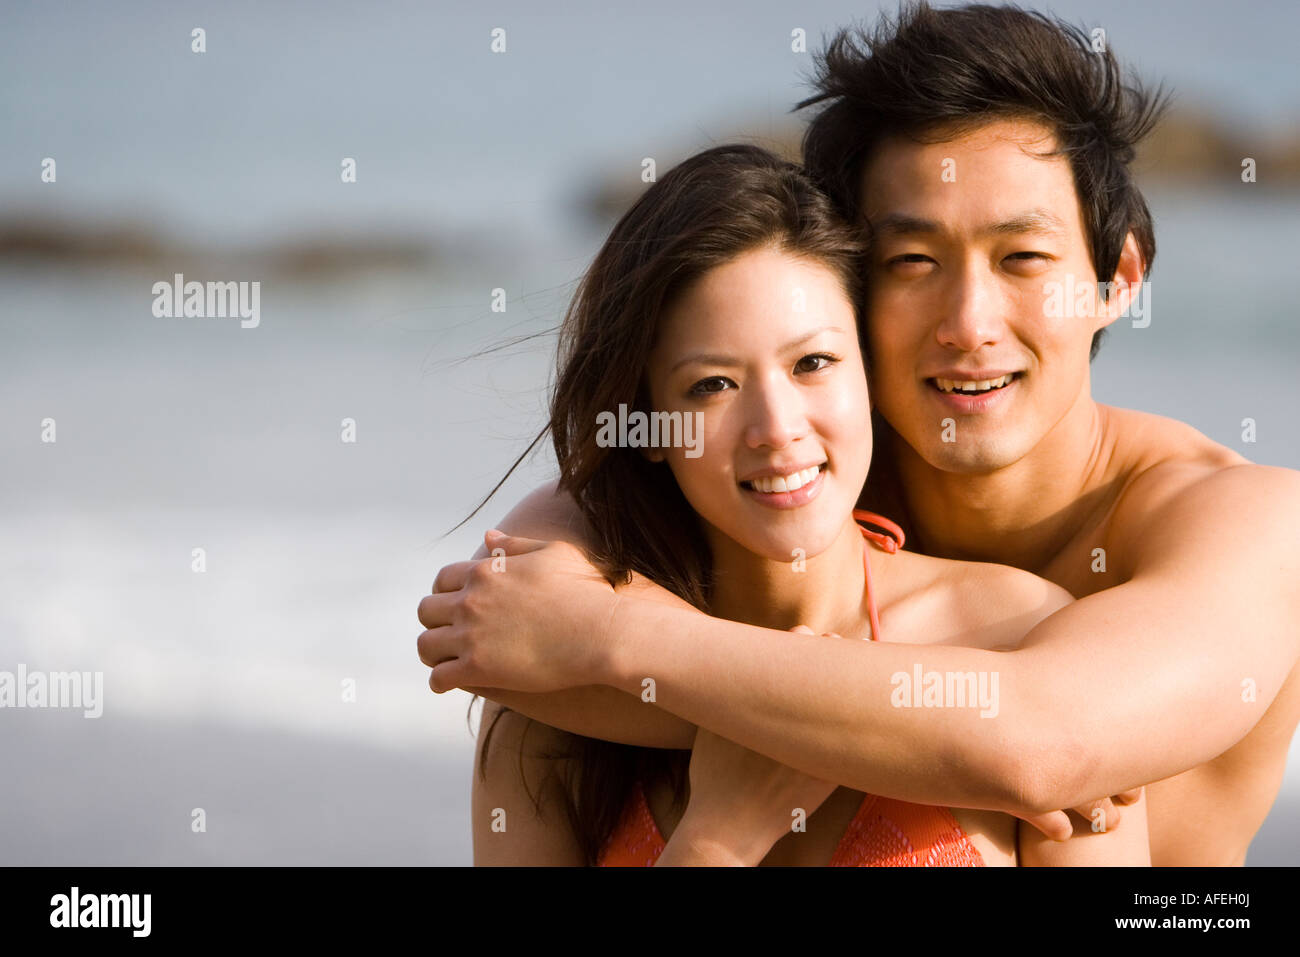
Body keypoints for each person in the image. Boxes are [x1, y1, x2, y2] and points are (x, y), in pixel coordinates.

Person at [419, 3, 1300, 866]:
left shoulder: (1252, 523)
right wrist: (948, 725)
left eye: (1022, 259)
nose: (968, 322)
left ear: (1119, 276)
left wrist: (618, 642)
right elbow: (513, 608)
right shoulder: (806, 466)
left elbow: (1043, 744)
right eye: (912, 262)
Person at [464, 143, 1147, 865]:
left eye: (813, 363)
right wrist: (716, 840)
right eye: (711, 385)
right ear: (649, 426)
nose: (777, 428)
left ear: (871, 368)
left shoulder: (1020, 653)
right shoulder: (556, 710)